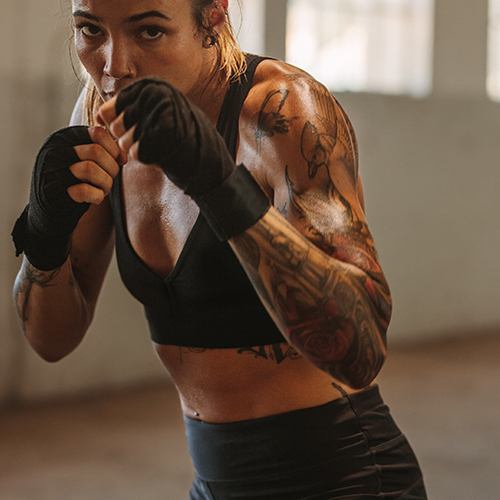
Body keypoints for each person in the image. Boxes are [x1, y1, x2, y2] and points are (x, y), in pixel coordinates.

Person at [12, 0, 427, 498]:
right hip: (214, 482)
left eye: (148, 31)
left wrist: (221, 187)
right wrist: (44, 233)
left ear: (213, 15)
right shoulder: (104, 118)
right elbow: (50, 340)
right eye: (90, 31)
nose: (113, 64)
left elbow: (361, 351)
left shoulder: (285, 110)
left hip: (341, 477)